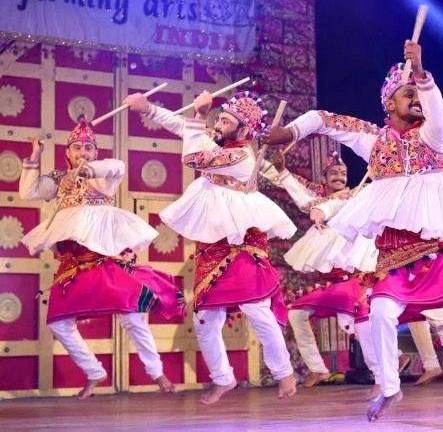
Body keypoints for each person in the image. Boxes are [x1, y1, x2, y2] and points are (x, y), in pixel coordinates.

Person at [266, 41, 443, 421]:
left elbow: (435, 107)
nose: (417, 99)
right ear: (389, 104)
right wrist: (291, 132)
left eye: (418, 93)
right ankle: (390, 388)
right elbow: (324, 119)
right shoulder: (374, 141)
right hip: (396, 257)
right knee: (380, 314)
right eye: (408, 94)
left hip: (440, 251)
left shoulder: (433, 134)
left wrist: (421, 74)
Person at [125, 90, 298, 404]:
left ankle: (284, 372)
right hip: (213, 244)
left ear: (243, 131)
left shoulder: (240, 156)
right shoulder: (220, 145)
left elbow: (192, 157)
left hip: (240, 240)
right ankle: (223, 378)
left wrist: (200, 115)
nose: (218, 125)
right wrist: (147, 108)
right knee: (204, 318)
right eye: (218, 119)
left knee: (256, 308)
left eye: (225, 121)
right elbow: (184, 128)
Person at [20, 117, 182, 399]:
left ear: (96, 152)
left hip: (105, 259)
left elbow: (116, 166)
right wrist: (34, 156)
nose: (83, 152)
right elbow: (28, 192)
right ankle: (94, 372)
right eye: (77, 148)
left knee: (132, 316)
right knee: (58, 322)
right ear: (67, 152)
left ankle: (157, 372)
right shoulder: (59, 179)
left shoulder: (104, 173)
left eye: (88, 148)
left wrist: (86, 169)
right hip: (74, 265)